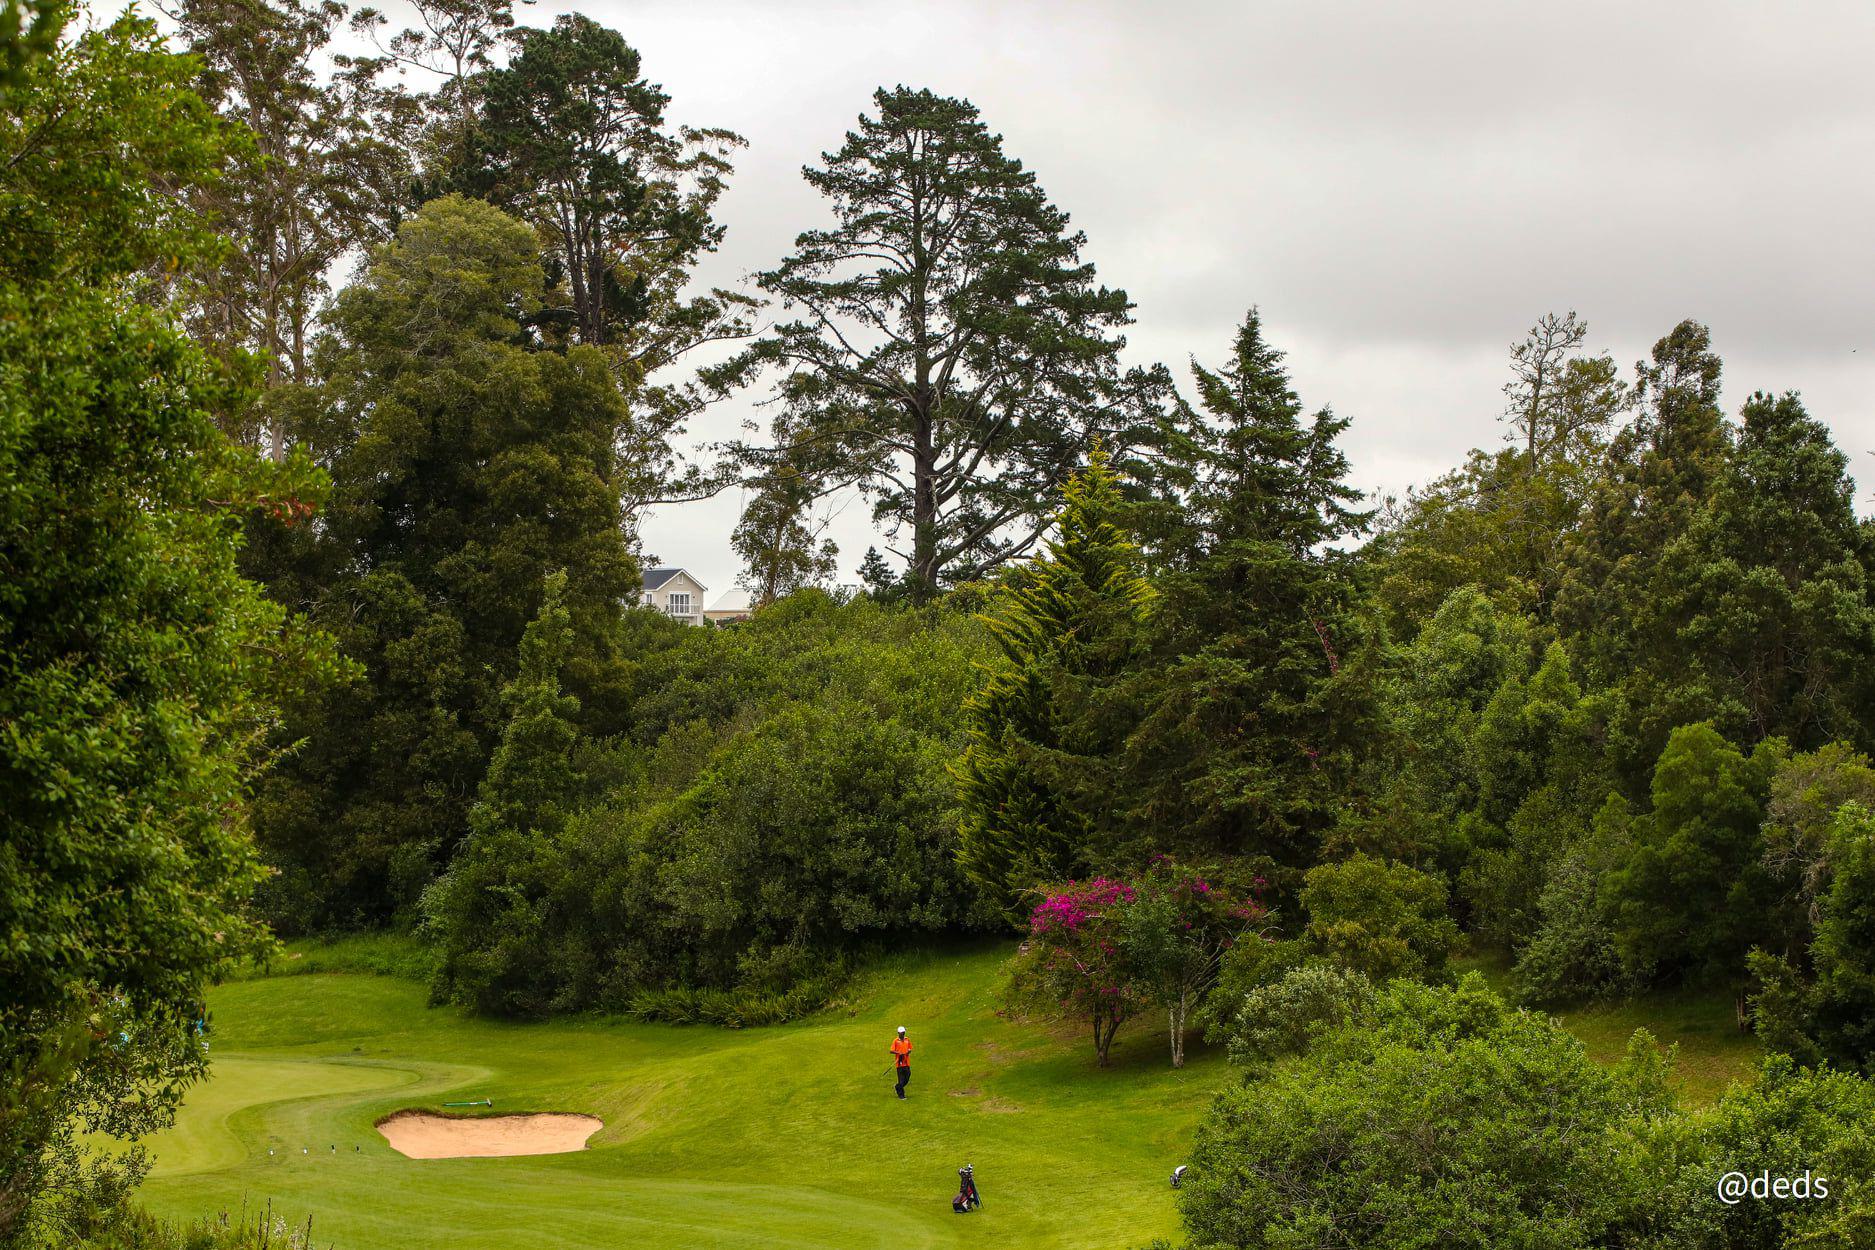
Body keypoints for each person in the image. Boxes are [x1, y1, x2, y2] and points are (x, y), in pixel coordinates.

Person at [890, 1025, 913, 1098]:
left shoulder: (907, 1040)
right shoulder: (896, 1041)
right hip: (899, 1063)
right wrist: (898, 1053)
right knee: (901, 1080)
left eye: (903, 1032)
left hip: (906, 1062)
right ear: (898, 1033)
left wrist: (909, 1051)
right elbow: (891, 1051)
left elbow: (910, 1048)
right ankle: (901, 1095)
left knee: (908, 1076)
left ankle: (897, 1087)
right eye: (901, 1033)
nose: (903, 1034)